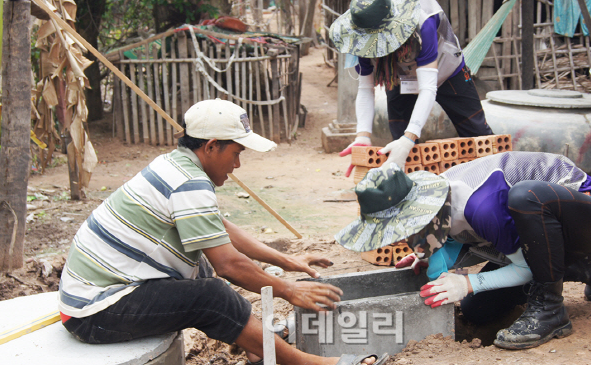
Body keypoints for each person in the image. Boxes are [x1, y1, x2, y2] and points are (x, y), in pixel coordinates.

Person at [58, 99, 387, 365]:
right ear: (212, 146)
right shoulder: (189, 182)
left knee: (199, 265)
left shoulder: (176, 164)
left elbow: (219, 229)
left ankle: (258, 347)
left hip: (98, 296)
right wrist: (290, 291)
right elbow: (229, 265)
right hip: (96, 311)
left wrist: (288, 259)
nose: (237, 165)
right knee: (211, 295)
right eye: (237, 152)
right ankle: (306, 363)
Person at [334, 152, 591, 349]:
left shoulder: (480, 205)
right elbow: (462, 236)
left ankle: (550, 311)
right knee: (478, 309)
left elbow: (524, 268)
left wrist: (469, 281)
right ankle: (586, 267)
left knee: (524, 197)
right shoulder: (443, 200)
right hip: (547, 238)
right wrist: (434, 253)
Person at [330, 0, 493, 174]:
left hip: (446, 70)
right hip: (398, 76)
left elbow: (428, 88)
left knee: (478, 134)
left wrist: (409, 138)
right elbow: (366, 88)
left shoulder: (425, 21)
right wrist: (363, 135)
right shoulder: (359, 38)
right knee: (400, 146)